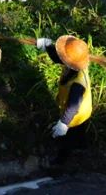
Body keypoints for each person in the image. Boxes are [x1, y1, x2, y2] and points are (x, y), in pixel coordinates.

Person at [33, 35, 93, 166]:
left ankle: (59, 166)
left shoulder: (78, 83)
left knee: (67, 141)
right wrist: (47, 46)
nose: (62, 60)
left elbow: (73, 106)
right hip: (84, 110)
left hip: (76, 114)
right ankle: (82, 148)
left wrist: (64, 123)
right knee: (80, 132)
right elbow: (58, 58)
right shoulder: (76, 65)